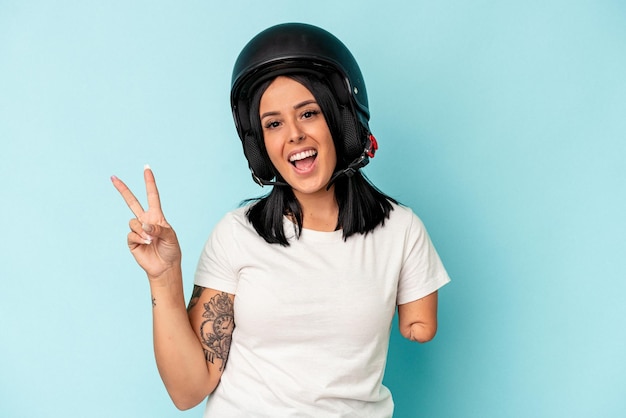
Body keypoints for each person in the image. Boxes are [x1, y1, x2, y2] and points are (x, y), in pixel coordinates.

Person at [112, 23, 450, 417]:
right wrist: (164, 278)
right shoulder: (237, 234)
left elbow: (420, 325)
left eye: (309, 113)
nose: (293, 135)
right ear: (259, 144)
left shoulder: (401, 230)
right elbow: (188, 391)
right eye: (273, 123)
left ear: (343, 122)